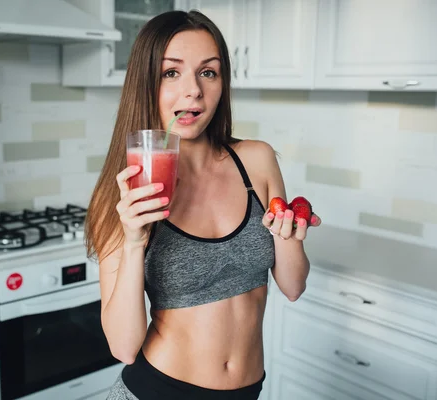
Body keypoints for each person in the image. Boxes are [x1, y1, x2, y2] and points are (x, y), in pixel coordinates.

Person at [84, 9, 322, 400]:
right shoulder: (123, 194)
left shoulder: (257, 160)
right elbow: (124, 348)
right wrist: (132, 241)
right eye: (171, 73)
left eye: (208, 72)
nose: (193, 90)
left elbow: (293, 286)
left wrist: (290, 236)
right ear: (147, 84)